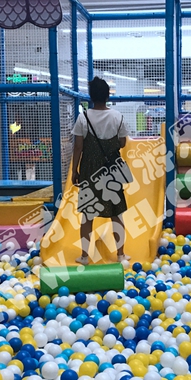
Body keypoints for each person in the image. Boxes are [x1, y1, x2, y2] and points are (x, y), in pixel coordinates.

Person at [71, 77, 130, 265]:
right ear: (107, 96)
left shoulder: (83, 117)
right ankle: (120, 254)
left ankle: (84, 256)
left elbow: (78, 147)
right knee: (116, 214)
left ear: (91, 96)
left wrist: (74, 170)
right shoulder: (117, 117)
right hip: (112, 170)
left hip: (89, 170)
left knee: (88, 214)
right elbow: (122, 143)